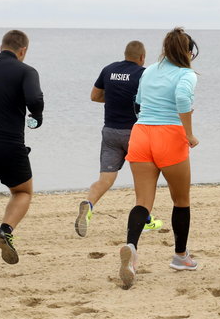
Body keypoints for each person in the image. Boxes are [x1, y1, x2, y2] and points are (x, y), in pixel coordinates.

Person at [118, 28, 199, 289]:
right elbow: (182, 97)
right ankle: (180, 257)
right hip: (169, 136)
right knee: (181, 199)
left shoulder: (150, 70)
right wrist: (189, 133)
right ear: (187, 52)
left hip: (141, 134)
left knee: (143, 202)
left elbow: (139, 103)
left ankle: (131, 246)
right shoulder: (186, 74)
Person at [76, 41, 164, 237]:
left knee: (105, 179)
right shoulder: (143, 73)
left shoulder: (108, 69)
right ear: (142, 57)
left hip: (110, 132)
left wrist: (115, 98)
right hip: (135, 133)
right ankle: (146, 219)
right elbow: (151, 100)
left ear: (125, 54)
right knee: (144, 181)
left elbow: (95, 96)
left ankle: (89, 205)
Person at [0, 30, 44, 264]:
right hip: (9, 144)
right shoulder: (26, 71)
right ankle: (5, 230)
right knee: (22, 191)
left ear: (1, 46)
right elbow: (34, 99)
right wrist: (37, 115)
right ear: (22, 51)